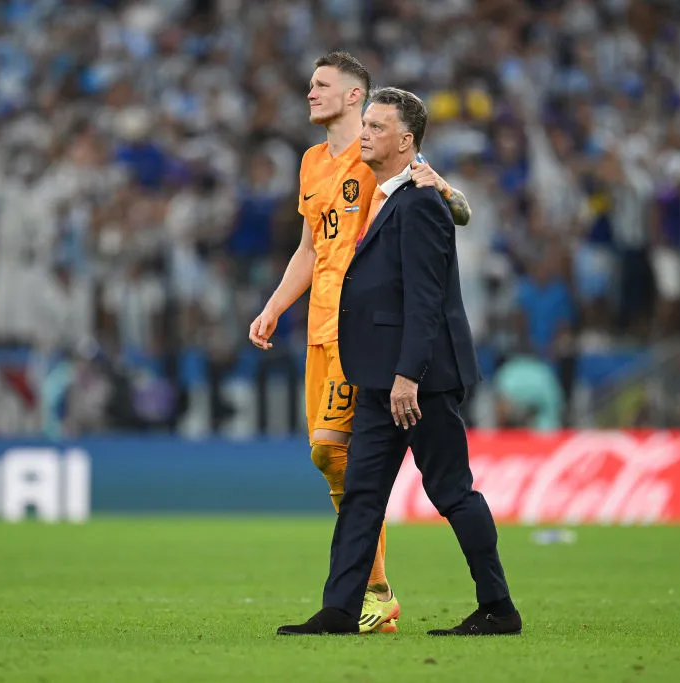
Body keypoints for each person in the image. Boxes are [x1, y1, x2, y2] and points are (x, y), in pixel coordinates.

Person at [277, 87, 519, 636]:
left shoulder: (421, 203)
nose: (364, 134)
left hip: (418, 383)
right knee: (361, 493)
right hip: (379, 380)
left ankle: (499, 607)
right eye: (364, 124)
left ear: (406, 141)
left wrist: (408, 375)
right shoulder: (389, 197)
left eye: (377, 127)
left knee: (452, 492)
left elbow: (425, 299)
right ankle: (341, 609)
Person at [247, 51, 472, 634]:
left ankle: (373, 591)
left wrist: (443, 186)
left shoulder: (379, 157)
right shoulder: (311, 163)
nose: (310, 94)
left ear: (354, 96)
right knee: (331, 461)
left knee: (338, 454)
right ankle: (368, 591)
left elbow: (456, 209)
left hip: (361, 335)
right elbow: (308, 249)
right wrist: (274, 307)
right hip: (318, 330)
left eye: (322, 85)